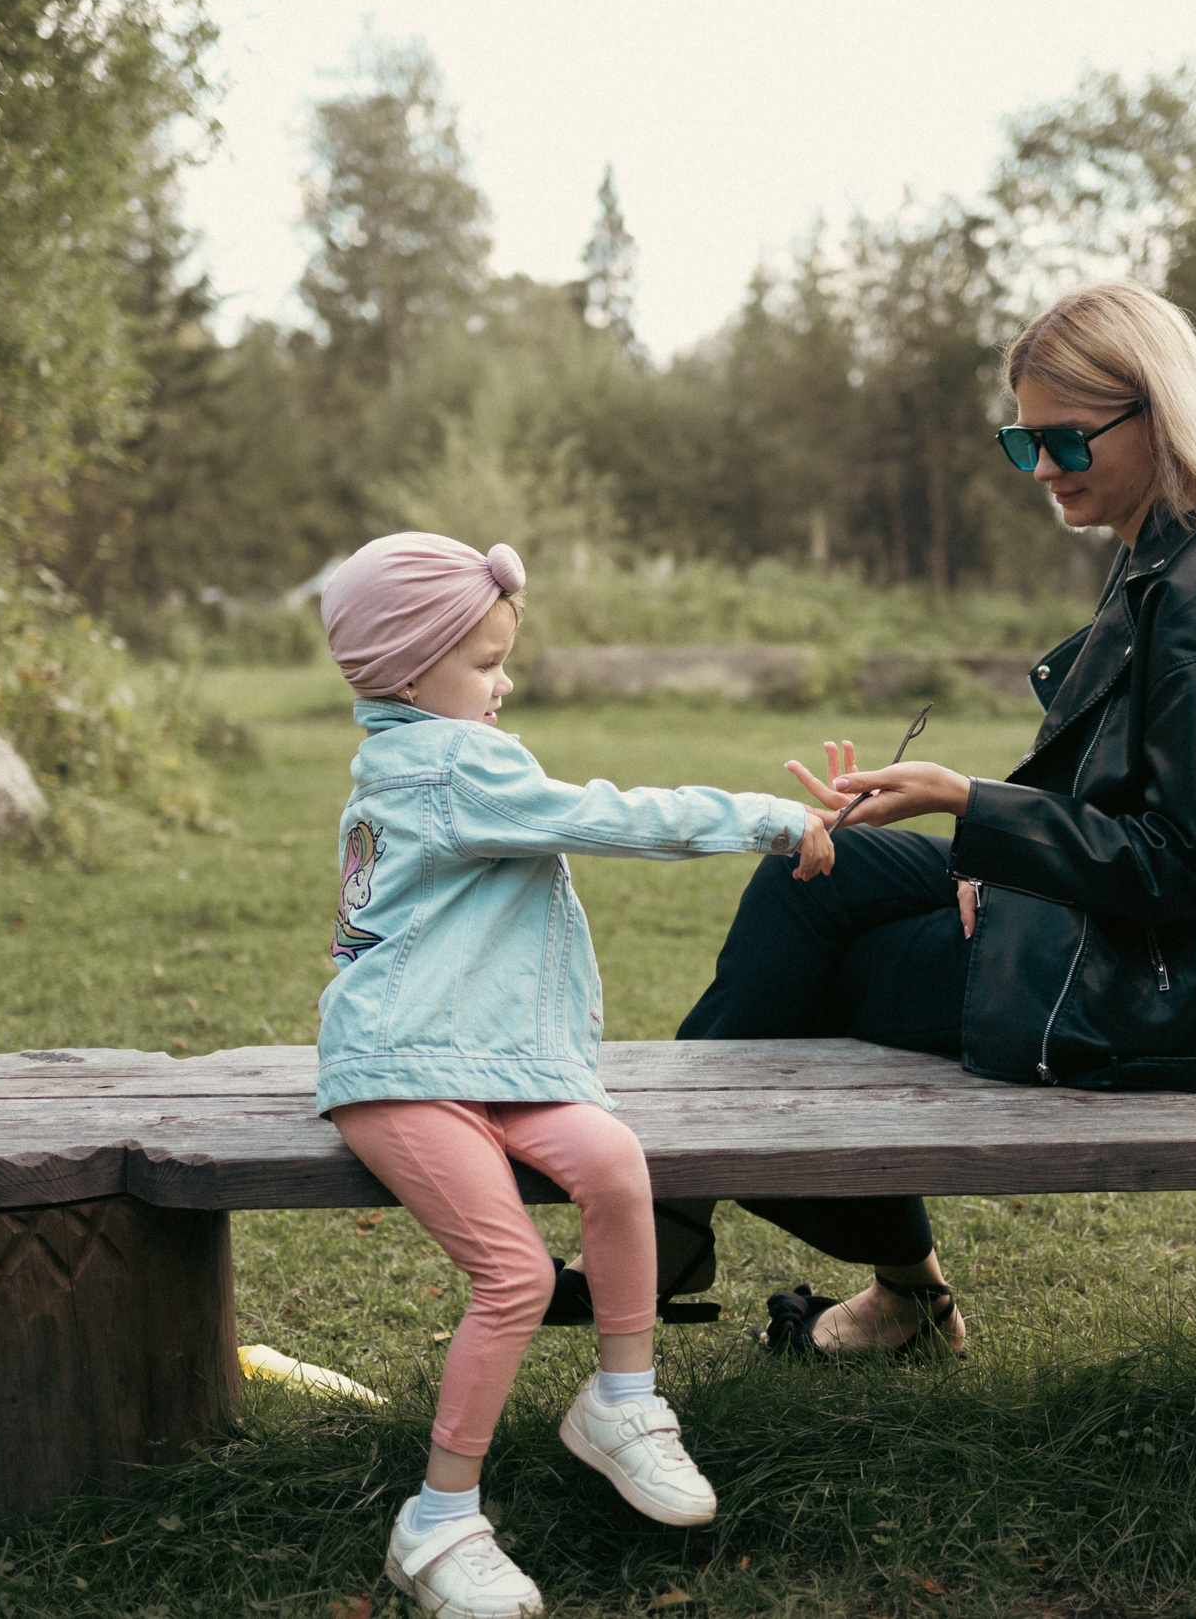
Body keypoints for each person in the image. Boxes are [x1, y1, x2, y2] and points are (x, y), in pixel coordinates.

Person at [677, 280, 1196, 1359]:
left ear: (1156, 415)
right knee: (816, 872)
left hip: (1190, 992)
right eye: (1022, 442)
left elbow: (1179, 867)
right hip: (1160, 947)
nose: (1042, 470)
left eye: (1064, 442)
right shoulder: (1170, 561)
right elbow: (1128, 798)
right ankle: (686, 1213)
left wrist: (971, 806)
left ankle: (737, 1235)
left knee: (820, 986)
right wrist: (993, 844)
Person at [315, 532, 839, 1619]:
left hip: (481, 1052)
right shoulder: (456, 766)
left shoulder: (405, 754)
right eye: (485, 662)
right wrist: (771, 820)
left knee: (610, 1160)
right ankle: (437, 1520)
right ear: (409, 671)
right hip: (405, 1072)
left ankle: (622, 1400)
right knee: (510, 1277)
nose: (503, 682)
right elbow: (616, 816)